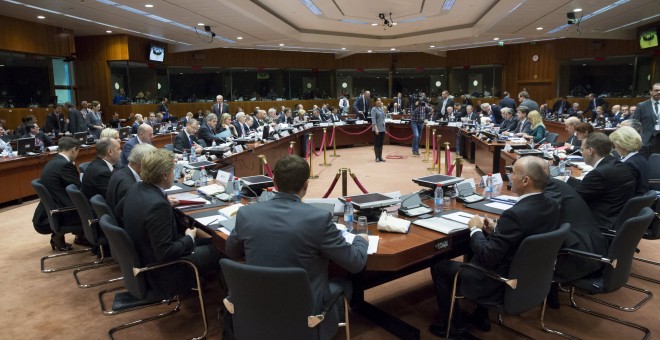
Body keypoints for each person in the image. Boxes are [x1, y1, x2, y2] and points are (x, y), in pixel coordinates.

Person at [226, 155, 369, 340]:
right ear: (306, 185)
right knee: (345, 284)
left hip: (256, 303)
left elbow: (231, 251)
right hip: (305, 311)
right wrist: (361, 240)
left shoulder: (247, 213)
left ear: (274, 182)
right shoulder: (319, 219)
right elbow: (356, 263)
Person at [429, 156, 559, 337]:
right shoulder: (552, 205)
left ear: (525, 180)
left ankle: (455, 327)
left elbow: (489, 255)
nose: (509, 176)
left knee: (439, 265)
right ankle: (480, 316)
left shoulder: (515, 215)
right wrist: (496, 229)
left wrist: (475, 229)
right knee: (478, 251)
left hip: (498, 281)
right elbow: (525, 236)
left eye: (512, 173)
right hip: (530, 276)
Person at [122, 149, 222, 297]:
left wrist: (165, 203)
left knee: (210, 240)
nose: (174, 174)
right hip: (165, 270)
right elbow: (165, 253)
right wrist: (189, 237)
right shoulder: (157, 206)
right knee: (222, 249)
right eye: (173, 170)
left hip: (145, 254)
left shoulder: (136, 188)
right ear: (164, 175)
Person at [544, 178, 608, 303]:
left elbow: (542, 218)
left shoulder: (550, 187)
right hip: (593, 248)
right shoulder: (558, 184)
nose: (511, 178)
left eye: (513, 174)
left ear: (526, 179)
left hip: (579, 257)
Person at [32, 137, 86, 251]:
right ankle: (89, 239)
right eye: (78, 151)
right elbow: (79, 188)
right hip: (63, 213)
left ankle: (76, 236)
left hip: (49, 213)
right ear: (73, 150)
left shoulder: (53, 161)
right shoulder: (65, 165)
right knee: (97, 208)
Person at [573, 132, 636, 230]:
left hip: (599, 226)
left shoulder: (598, 174)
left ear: (590, 151)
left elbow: (574, 199)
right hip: (617, 221)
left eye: (582, 149)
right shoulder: (620, 165)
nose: (581, 152)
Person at [106, 144, 156, 215]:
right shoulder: (129, 187)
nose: (154, 168)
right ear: (141, 164)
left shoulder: (121, 172)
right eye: (153, 164)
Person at [609, 126, 650, 196]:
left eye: (614, 146)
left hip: (630, 202)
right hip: (640, 200)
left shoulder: (628, 165)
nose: (615, 149)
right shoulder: (641, 159)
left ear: (621, 145)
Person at [633, 82, 660, 158]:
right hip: (646, 141)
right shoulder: (642, 105)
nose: (659, 92)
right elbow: (635, 123)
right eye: (656, 90)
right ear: (651, 92)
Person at [371, 98, 386, 162]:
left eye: (380, 100)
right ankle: (377, 157)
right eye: (378, 100)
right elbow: (373, 120)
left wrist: (384, 128)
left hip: (382, 129)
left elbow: (383, 119)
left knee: (381, 143)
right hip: (376, 129)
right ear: (375, 102)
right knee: (376, 143)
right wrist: (376, 129)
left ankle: (380, 157)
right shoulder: (374, 109)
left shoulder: (381, 109)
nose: (380, 101)